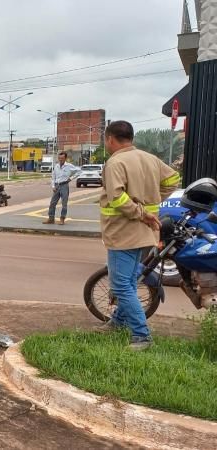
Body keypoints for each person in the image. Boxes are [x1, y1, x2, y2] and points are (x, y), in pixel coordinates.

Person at [95, 120, 179, 351]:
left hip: (123, 232)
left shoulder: (115, 162)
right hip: (146, 233)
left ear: (110, 139)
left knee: (121, 285)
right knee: (130, 281)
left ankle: (142, 336)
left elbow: (117, 198)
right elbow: (173, 178)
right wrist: (154, 200)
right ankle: (118, 322)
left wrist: (140, 212)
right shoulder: (150, 158)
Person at [43, 152, 80, 225]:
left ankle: (62, 219)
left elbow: (79, 171)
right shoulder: (56, 166)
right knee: (52, 203)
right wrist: (53, 186)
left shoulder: (69, 166)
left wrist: (71, 178)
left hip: (64, 185)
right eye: (59, 158)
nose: (60, 160)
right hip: (57, 186)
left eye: (62, 158)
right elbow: (53, 177)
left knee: (64, 203)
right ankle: (51, 218)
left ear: (65, 158)